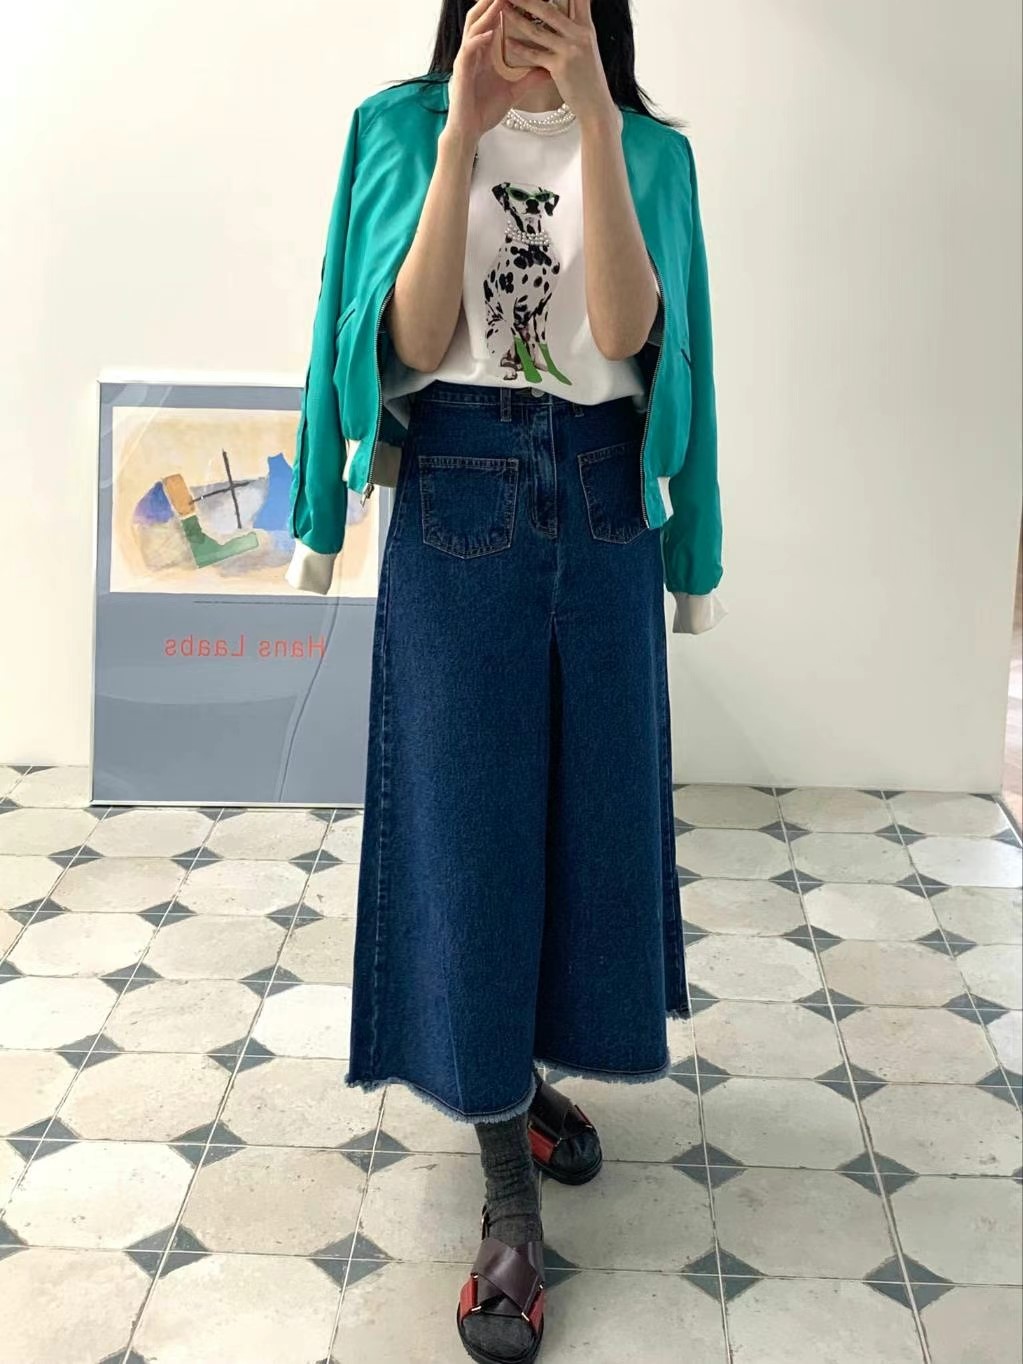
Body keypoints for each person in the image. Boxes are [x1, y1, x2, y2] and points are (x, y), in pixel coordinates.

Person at [285, 1, 725, 1358]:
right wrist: (462, 137)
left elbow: (647, 339)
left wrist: (593, 118)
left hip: (602, 498)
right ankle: (508, 1203)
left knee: (587, 831)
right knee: (469, 843)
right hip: (457, 487)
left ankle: (520, 1085)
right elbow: (401, 343)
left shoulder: (650, 151)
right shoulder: (396, 130)